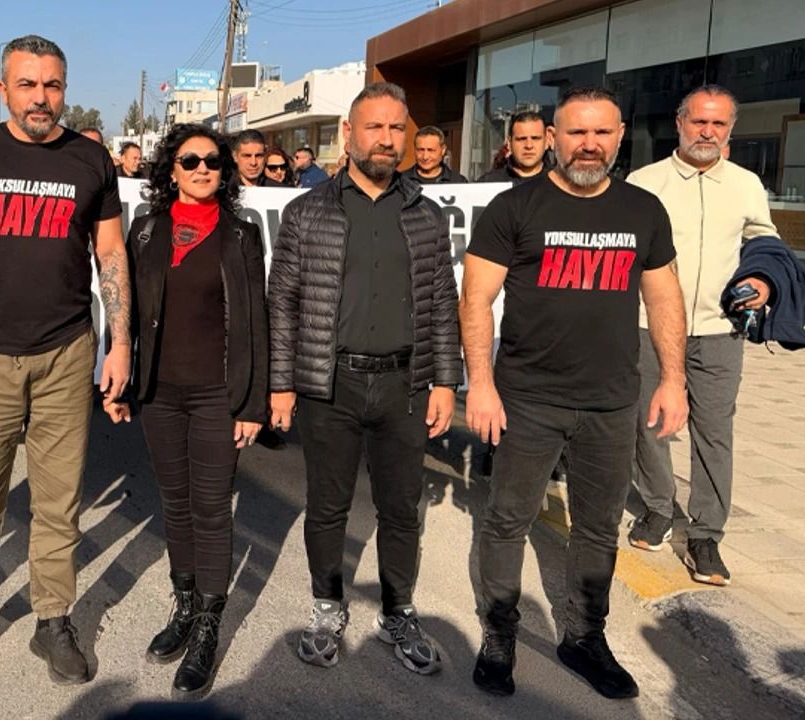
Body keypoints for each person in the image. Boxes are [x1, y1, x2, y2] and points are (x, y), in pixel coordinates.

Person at [0, 34, 130, 688]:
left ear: (65, 90)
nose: (41, 97)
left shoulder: (91, 160)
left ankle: (52, 619)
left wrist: (120, 343)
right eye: (28, 84)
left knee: (59, 503)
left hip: (66, 355)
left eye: (52, 85)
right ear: (3, 89)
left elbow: (111, 254)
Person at [461, 86, 688, 700]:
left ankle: (584, 637)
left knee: (597, 526)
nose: (590, 144)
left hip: (611, 402)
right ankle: (499, 634)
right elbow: (475, 299)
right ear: (553, 139)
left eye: (602, 132)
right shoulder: (514, 206)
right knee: (507, 520)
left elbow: (664, 297)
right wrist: (480, 385)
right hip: (527, 398)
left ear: (620, 137)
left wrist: (673, 379)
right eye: (577, 132)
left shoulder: (643, 210)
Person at [267, 82, 461, 675]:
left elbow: (442, 302)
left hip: (406, 386)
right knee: (327, 506)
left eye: (396, 128)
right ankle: (327, 607)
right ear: (348, 133)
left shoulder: (426, 214)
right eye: (374, 126)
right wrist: (281, 383)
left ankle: (398, 612)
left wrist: (447, 381)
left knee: (401, 509)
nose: (386, 138)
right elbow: (283, 303)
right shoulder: (307, 212)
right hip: (331, 385)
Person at [106, 123, 268, 700]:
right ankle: (184, 605)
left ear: (225, 172)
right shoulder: (145, 230)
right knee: (174, 503)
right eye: (190, 160)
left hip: (216, 394)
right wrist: (119, 384)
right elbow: (124, 313)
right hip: (159, 394)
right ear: (170, 170)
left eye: (213, 161)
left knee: (211, 507)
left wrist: (252, 403)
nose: (202, 169)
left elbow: (255, 321)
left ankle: (208, 627)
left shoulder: (242, 234)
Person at [626, 85, 778, 585]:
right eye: (699, 122)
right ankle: (656, 509)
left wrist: (762, 280)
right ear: (680, 123)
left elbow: (764, 242)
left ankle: (706, 534)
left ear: (730, 129)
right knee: (649, 423)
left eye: (718, 124)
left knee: (713, 432)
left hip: (719, 330)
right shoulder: (644, 182)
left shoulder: (746, 184)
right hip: (649, 325)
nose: (707, 132)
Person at [476, 110, 550, 183]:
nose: (529, 145)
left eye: (535, 138)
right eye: (521, 139)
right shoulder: (488, 183)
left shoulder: (556, 182)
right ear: (509, 144)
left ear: (546, 142)